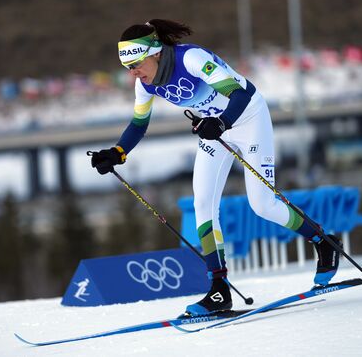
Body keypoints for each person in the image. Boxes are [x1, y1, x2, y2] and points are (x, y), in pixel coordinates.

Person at [90, 19, 341, 317]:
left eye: (136, 62)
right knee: (203, 203)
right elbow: (138, 124)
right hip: (216, 131)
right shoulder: (145, 84)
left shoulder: (191, 59)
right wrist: (118, 152)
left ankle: (324, 242)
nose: (133, 72)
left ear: (155, 51)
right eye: (127, 66)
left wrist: (222, 122)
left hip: (247, 121)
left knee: (262, 204)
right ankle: (219, 289)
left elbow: (241, 94)